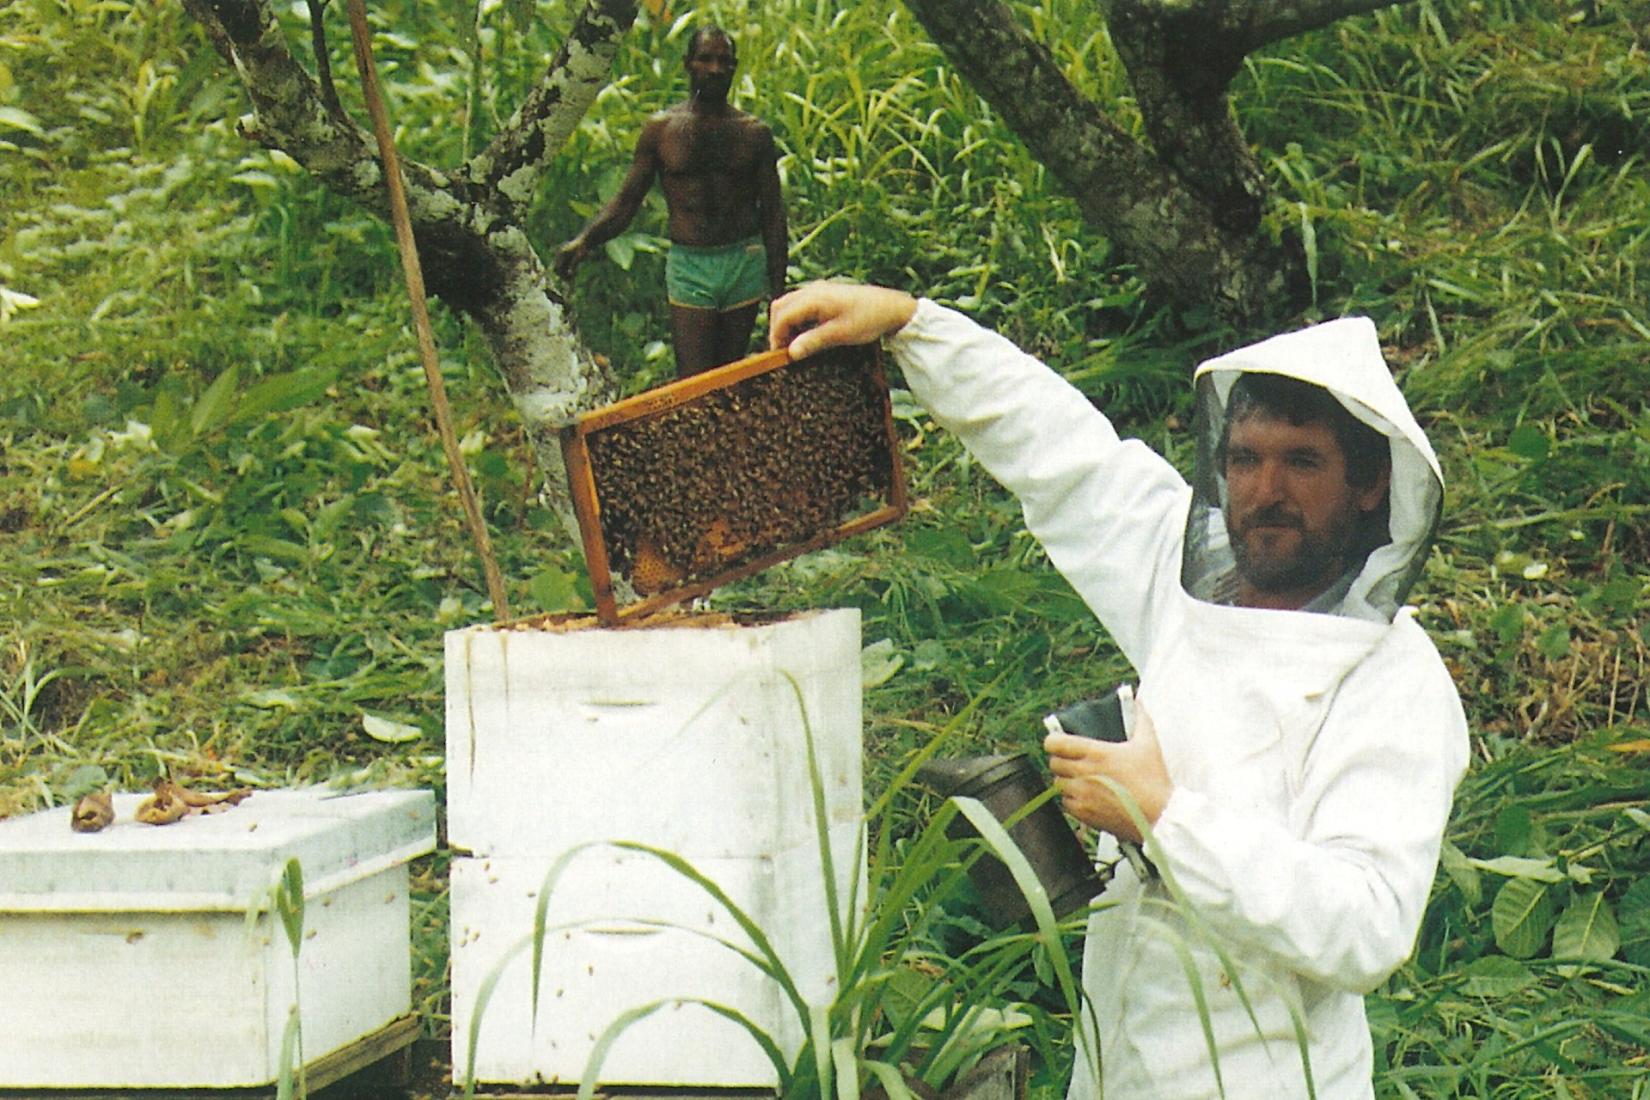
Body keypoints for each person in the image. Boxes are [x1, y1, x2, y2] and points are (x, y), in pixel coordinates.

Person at [768, 282, 1469, 1100]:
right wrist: (917, 327)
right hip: (1116, 1071)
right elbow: (1067, 460)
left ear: (1371, 483)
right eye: (1246, 459)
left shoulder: (1395, 682)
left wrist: (1166, 817)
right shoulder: (1189, 591)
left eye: (1302, 461)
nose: (1265, 489)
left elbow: (1367, 926)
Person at [555, 24, 787, 377]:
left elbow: (772, 214)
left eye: (723, 61)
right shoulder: (662, 131)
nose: (714, 69)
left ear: (734, 68)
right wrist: (585, 241)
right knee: (693, 384)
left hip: (742, 260)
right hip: (690, 265)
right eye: (705, 59)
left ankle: (722, 434)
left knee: (730, 378)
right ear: (687, 63)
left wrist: (779, 292)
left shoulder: (753, 134)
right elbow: (627, 200)